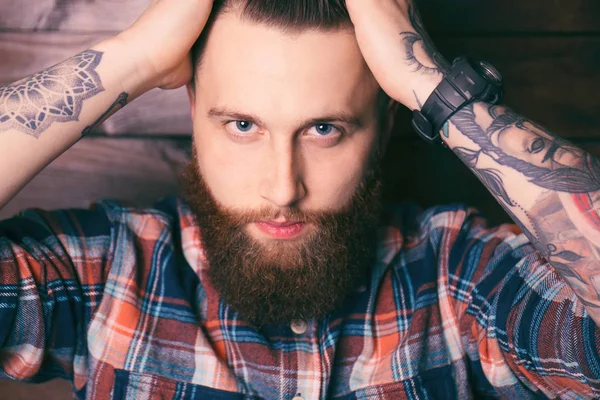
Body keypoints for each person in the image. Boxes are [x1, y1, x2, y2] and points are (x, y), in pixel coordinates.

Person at [0, 0, 598, 398]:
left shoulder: (462, 279)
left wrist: (433, 86)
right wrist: (135, 56)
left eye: (323, 129)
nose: (282, 188)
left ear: (387, 125)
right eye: (241, 126)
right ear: (193, 114)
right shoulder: (105, 273)